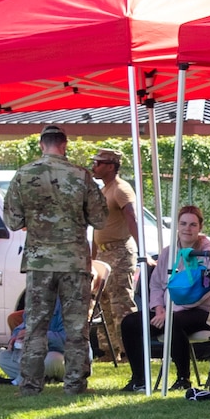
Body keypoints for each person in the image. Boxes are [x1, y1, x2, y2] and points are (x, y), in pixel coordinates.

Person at [4, 125, 107, 396]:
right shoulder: (82, 175)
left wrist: (36, 220)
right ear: (65, 144)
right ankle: (74, 385)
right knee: (76, 326)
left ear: (41, 144)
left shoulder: (24, 174)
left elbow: (12, 221)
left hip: (40, 262)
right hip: (74, 261)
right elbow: (100, 219)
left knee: (36, 324)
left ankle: (29, 385)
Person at [120, 204, 210, 393]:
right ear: (177, 226)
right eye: (183, 224)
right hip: (166, 311)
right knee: (130, 322)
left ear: (200, 228)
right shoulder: (168, 252)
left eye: (192, 224)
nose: (187, 229)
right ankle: (139, 379)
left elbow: (204, 290)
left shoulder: (207, 255)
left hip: (200, 311)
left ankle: (183, 378)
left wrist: (170, 312)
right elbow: (156, 283)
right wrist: (159, 308)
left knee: (174, 323)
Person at [88, 149, 137, 364]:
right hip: (103, 252)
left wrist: (143, 249)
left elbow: (132, 218)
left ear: (111, 166)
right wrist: (92, 257)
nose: (94, 167)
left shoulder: (121, 189)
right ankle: (109, 351)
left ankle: (130, 350)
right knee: (104, 302)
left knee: (121, 303)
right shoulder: (103, 190)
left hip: (119, 252)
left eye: (98, 163)